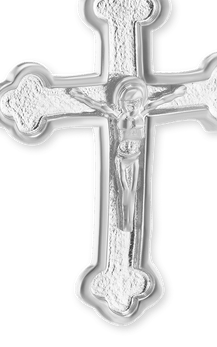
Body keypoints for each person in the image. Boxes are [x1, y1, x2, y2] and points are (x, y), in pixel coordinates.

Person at [69, 77, 186, 231]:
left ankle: (130, 222)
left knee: (135, 189)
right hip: (122, 158)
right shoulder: (117, 115)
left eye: (137, 101)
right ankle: (125, 222)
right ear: (122, 102)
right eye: (129, 102)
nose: (133, 105)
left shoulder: (143, 113)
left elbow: (161, 100)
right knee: (124, 189)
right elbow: (96, 104)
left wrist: (176, 93)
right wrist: (77, 94)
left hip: (136, 157)